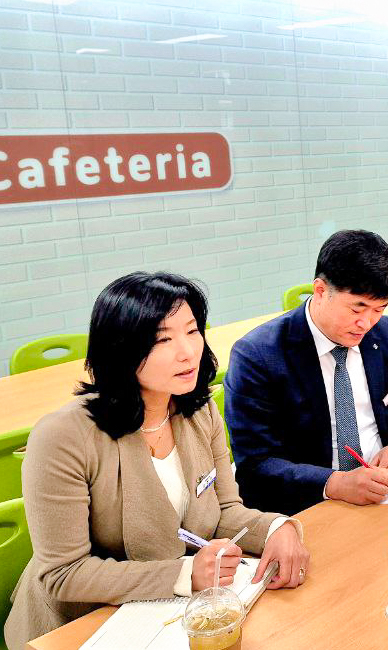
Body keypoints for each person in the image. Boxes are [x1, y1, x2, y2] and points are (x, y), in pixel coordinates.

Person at [4, 273, 309, 650]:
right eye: (163, 339)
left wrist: (278, 528)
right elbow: (64, 575)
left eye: (192, 330)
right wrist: (185, 574)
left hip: (167, 616)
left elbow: (224, 509)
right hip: (80, 624)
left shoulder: (198, 412)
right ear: (120, 349)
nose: (187, 351)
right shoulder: (62, 437)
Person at [225, 231, 388, 515]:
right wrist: (334, 483)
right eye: (357, 308)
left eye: (378, 309)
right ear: (320, 291)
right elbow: (255, 463)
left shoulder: (385, 333)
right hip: (310, 503)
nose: (366, 323)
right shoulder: (257, 355)